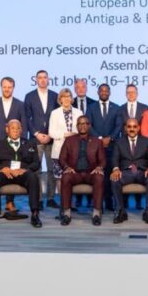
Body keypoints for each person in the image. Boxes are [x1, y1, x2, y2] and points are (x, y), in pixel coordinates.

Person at [0, 120, 42, 229]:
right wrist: (2, 168)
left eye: (18, 128)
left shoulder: (30, 144)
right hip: (5, 174)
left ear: (21, 130)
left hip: (22, 173)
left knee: (33, 177)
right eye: (12, 128)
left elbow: (36, 163)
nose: (15, 130)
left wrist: (26, 169)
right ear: (7, 130)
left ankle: (35, 214)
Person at [0, 76, 28, 214]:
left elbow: (24, 126)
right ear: (1, 87)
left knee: (12, 172)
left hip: (15, 146)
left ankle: (10, 202)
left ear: (13, 88)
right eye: (5, 87)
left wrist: (23, 145)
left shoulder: (20, 104)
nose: (7, 89)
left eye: (9, 87)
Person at [58, 116, 106, 226]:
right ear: (77, 126)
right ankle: (66, 213)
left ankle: (96, 214)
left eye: (85, 123)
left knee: (99, 177)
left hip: (91, 173)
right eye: (80, 124)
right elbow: (62, 158)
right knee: (65, 177)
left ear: (89, 126)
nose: (82, 126)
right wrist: (66, 167)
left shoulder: (97, 141)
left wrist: (99, 167)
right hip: (75, 173)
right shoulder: (69, 140)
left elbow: (103, 160)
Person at [111, 118, 148, 224]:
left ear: (139, 128)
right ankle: (121, 211)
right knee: (114, 179)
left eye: (134, 126)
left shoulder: (146, 141)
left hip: (142, 172)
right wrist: (116, 169)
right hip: (126, 173)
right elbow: (114, 158)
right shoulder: (119, 142)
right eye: (129, 127)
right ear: (125, 128)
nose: (132, 129)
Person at [24, 70, 59, 210]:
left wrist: (50, 134)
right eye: (40, 78)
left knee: (52, 170)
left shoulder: (55, 96)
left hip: (51, 139)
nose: (43, 80)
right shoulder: (29, 96)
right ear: (36, 80)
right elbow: (27, 118)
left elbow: (58, 117)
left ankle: (50, 198)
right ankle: (37, 199)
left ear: (48, 79)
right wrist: (36, 133)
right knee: (36, 170)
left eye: (45, 77)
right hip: (36, 139)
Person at [88, 83, 122, 211]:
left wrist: (110, 138)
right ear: (98, 92)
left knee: (109, 174)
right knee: (97, 174)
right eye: (101, 90)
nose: (104, 92)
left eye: (106, 90)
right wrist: (100, 139)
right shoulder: (91, 107)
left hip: (111, 146)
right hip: (95, 147)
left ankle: (109, 200)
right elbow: (89, 125)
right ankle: (97, 202)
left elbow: (118, 125)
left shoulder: (116, 108)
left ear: (109, 92)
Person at [117, 83, 148, 210]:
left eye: (133, 92)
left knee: (138, 170)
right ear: (125, 94)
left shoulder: (144, 108)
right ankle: (123, 203)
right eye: (128, 92)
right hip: (125, 145)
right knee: (126, 171)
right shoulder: (120, 108)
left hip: (140, 145)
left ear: (137, 94)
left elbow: (145, 127)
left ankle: (139, 201)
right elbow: (120, 126)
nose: (131, 94)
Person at [49, 88, 83, 178]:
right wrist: (65, 134)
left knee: (74, 178)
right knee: (59, 179)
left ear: (71, 98)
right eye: (63, 97)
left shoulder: (79, 112)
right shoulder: (54, 113)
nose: (66, 99)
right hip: (59, 151)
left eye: (68, 96)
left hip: (75, 151)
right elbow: (51, 132)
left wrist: (75, 134)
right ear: (60, 99)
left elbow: (83, 129)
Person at [72, 77, 95, 209]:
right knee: (78, 167)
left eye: (83, 87)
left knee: (90, 167)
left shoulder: (93, 103)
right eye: (78, 87)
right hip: (76, 141)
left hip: (91, 141)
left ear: (86, 88)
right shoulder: (70, 102)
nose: (80, 89)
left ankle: (91, 199)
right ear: (75, 89)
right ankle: (78, 199)